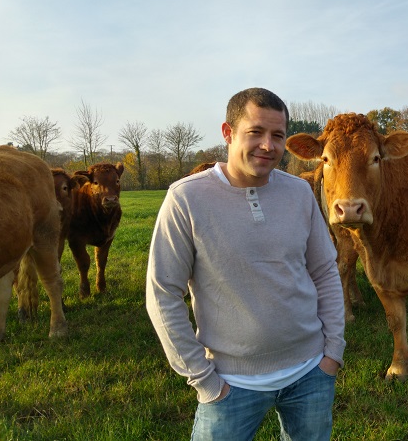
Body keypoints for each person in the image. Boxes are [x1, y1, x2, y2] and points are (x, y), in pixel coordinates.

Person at [146, 87, 345, 441]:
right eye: (256, 132)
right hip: (230, 383)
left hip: (311, 373)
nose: (268, 145)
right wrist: (204, 380)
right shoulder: (186, 198)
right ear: (228, 133)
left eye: (278, 135)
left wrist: (332, 353)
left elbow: (325, 271)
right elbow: (162, 295)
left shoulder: (299, 192)